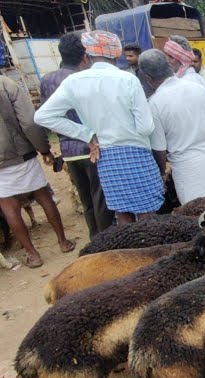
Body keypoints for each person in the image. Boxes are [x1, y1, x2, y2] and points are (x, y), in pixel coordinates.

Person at [37, 30, 164, 225]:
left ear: (87, 55)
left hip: (106, 157)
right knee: (148, 213)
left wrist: (87, 134)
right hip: (137, 153)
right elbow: (146, 127)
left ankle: (128, 253)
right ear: (117, 54)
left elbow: (43, 116)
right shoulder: (128, 79)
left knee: (123, 214)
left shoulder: (73, 82)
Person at [40, 31, 110, 238]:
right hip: (93, 148)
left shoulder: (47, 80)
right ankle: (105, 242)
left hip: (69, 151)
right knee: (101, 199)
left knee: (86, 200)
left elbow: (48, 116)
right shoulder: (86, 78)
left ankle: (94, 237)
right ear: (85, 55)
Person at [1, 74, 76, 267]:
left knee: (10, 209)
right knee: (43, 196)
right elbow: (28, 122)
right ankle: (63, 242)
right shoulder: (7, 84)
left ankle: (33, 255)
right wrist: (44, 149)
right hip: (21, 153)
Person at [139, 49, 205, 204]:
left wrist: (161, 173)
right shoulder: (198, 88)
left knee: (196, 216)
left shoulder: (154, 104)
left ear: (148, 78)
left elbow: (159, 150)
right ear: (169, 67)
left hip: (186, 169)